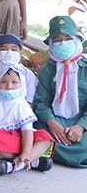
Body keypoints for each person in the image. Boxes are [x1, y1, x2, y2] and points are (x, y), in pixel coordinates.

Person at [33, 16, 87, 168]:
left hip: (80, 120)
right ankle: (51, 147)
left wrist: (80, 127)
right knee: (36, 129)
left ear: (76, 39)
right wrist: (52, 123)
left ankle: (49, 150)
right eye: (57, 40)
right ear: (51, 43)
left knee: (84, 145)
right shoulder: (49, 69)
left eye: (68, 38)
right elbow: (41, 102)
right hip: (55, 120)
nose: (63, 43)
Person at [0, 34, 37, 103]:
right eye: (3, 49)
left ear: (20, 53)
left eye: (14, 49)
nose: (9, 52)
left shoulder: (28, 74)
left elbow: (30, 100)